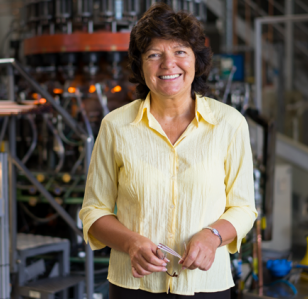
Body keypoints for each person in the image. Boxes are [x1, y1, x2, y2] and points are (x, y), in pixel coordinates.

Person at [79, 3, 257, 299]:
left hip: (206, 284)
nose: (168, 64)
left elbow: (243, 208)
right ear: (140, 66)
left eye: (179, 52)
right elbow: (93, 210)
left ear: (196, 61)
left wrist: (213, 237)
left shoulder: (229, 123)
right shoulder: (116, 126)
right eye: (154, 55)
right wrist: (130, 243)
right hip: (133, 286)